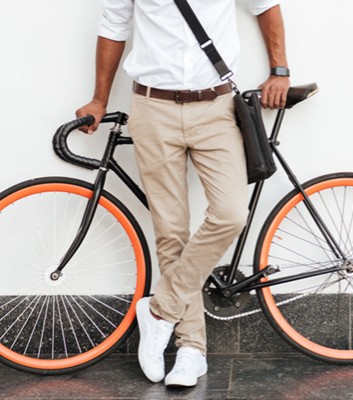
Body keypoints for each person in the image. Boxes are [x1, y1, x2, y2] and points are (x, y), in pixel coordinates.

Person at [75, 0, 290, 388]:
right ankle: (192, 349)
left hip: (218, 106)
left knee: (230, 215)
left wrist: (279, 69)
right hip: (152, 107)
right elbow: (114, 24)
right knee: (171, 231)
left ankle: (159, 311)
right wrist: (99, 99)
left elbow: (266, 4)